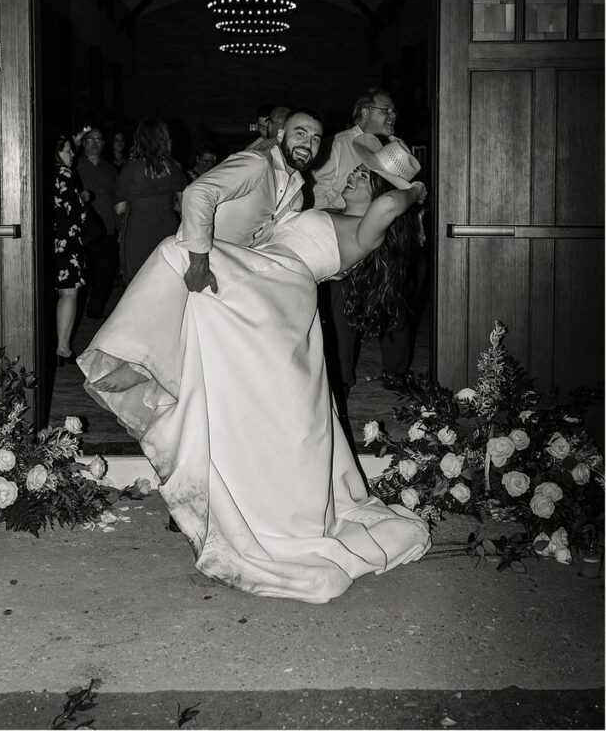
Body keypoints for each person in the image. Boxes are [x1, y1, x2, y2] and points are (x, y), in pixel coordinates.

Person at [77, 138, 430, 604]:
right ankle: (152, 366)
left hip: (283, 287)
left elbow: (388, 205)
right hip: (265, 280)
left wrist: (415, 191)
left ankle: (141, 365)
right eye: (356, 170)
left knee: (177, 251)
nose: (352, 175)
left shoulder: (368, 230)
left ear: (383, 189)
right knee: (195, 292)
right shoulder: (325, 210)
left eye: (364, 175)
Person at [312, 89, 417, 395]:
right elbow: (319, 192)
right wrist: (349, 215)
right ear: (365, 111)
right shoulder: (338, 144)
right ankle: (342, 379)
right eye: (387, 110)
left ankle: (397, 373)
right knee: (343, 308)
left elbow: (405, 194)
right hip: (349, 234)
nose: (393, 115)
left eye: (394, 111)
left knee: (395, 303)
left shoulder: (397, 146)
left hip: (392, 236)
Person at [178, 110, 322, 294]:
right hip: (190, 268)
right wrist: (198, 265)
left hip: (229, 279)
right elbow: (197, 193)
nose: (308, 144)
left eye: (315, 139)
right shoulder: (257, 163)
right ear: (280, 135)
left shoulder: (297, 196)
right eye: (300, 134)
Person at [114, 117, 187, 285]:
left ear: (139, 139)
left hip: (138, 232)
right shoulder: (175, 167)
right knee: (166, 281)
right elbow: (185, 206)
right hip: (168, 230)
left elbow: (119, 208)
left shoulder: (130, 169)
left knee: (139, 284)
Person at [77, 127, 118, 320]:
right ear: (84, 142)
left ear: (103, 143)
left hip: (107, 228)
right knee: (83, 272)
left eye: (98, 139)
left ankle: (95, 309)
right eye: (90, 139)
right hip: (82, 228)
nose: (94, 143)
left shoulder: (110, 169)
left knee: (105, 271)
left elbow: (117, 198)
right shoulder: (76, 165)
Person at [53, 133, 87, 364]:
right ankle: (63, 347)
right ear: (57, 153)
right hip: (66, 241)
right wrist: (83, 199)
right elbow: (76, 212)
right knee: (69, 293)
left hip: (48, 240)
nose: (73, 154)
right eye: (68, 150)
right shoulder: (65, 173)